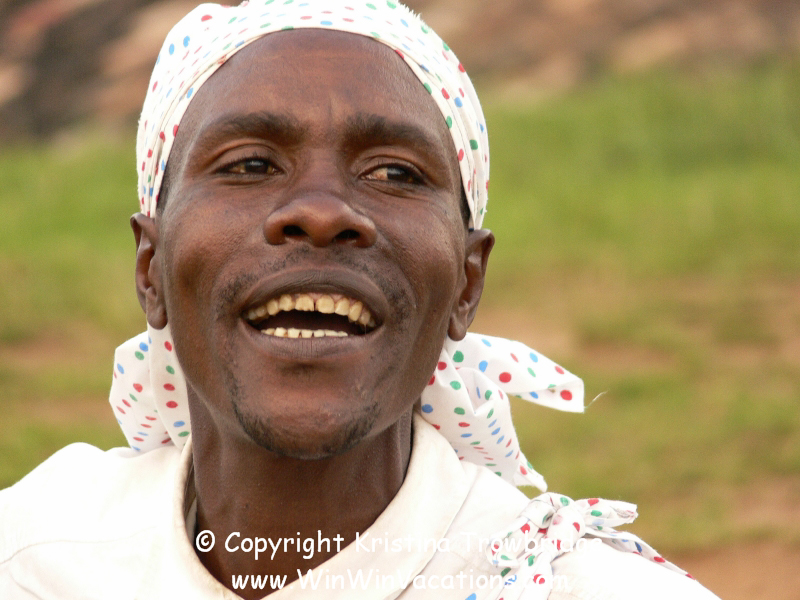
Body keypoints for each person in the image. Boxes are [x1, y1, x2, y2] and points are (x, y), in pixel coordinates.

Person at [0, 2, 720, 598]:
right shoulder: (35, 561)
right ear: (151, 269)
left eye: (395, 173)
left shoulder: (571, 588)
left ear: (466, 283)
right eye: (249, 164)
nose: (320, 212)